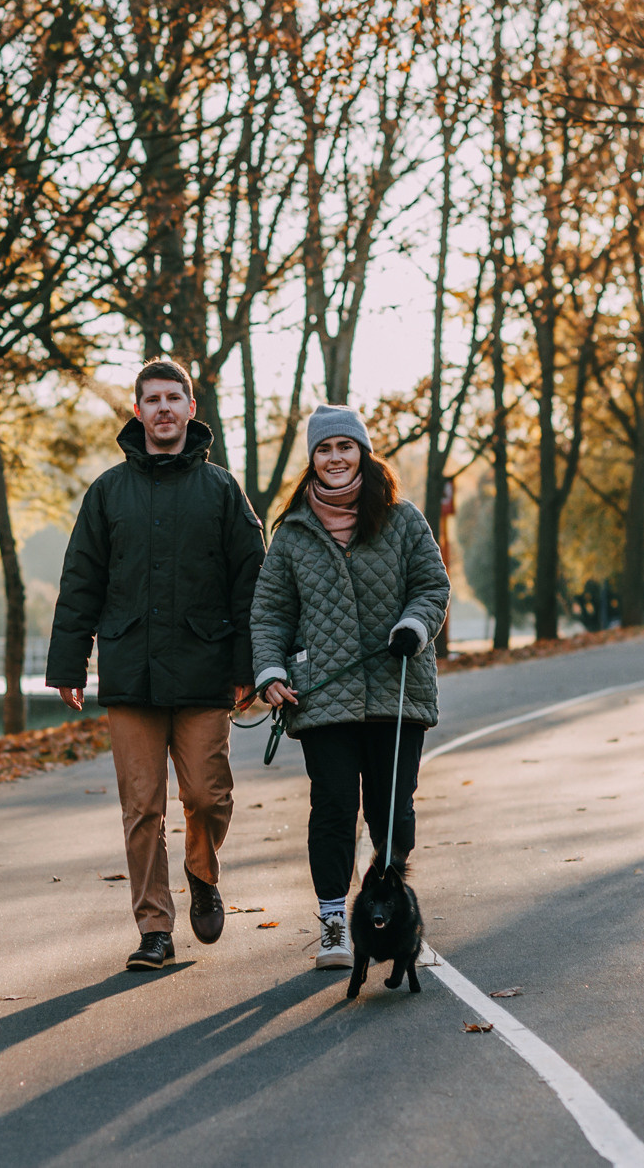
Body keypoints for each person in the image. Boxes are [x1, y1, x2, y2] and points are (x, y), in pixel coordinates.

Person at [47, 358, 267, 971]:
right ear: (137, 411)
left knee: (207, 794)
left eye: (175, 397)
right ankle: (154, 928)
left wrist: (250, 663)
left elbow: (253, 580)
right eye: (153, 399)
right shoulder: (108, 493)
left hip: (205, 672)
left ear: (191, 409)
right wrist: (70, 662)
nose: (164, 408)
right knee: (142, 806)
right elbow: (81, 581)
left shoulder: (222, 490)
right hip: (131, 672)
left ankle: (202, 874)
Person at [249, 406, 449, 970]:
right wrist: (270, 672)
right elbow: (269, 615)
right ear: (311, 459)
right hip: (323, 700)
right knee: (333, 810)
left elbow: (432, 586)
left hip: (397, 692)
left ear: (363, 452)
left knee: (392, 817)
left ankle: (395, 917)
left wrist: (414, 624)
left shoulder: (404, 520)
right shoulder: (291, 535)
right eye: (323, 449)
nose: (335, 458)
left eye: (345, 447)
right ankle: (336, 922)